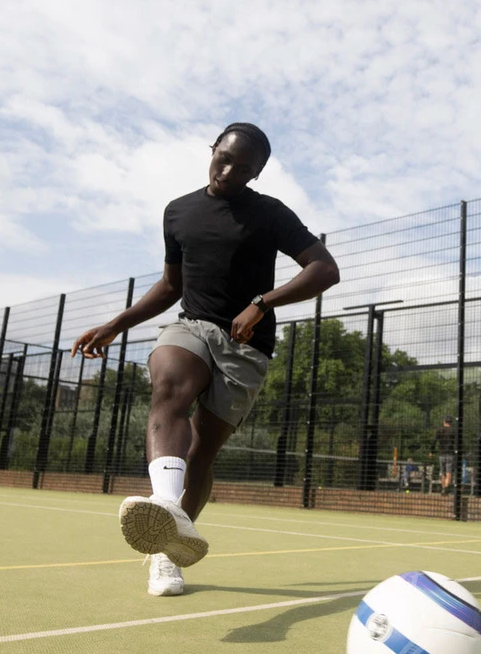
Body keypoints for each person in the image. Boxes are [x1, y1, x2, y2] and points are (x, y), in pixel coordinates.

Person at [71, 123, 340, 597]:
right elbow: (171, 286)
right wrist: (117, 323)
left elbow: (325, 269)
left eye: (244, 168)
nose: (230, 171)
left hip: (246, 343)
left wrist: (264, 301)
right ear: (212, 149)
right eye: (225, 157)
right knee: (168, 387)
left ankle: (167, 547)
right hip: (191, 324)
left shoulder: (270, 214)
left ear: (257, 174)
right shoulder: (178, 212)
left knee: (201, 454)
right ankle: (164, 511)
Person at [435, 416, 456, 494]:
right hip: (450, 453)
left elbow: (435, 440)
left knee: (442, 471)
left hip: (442, 453)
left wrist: (431, 451)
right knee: (449, 471)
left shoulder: (440, 430)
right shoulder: (454, 431)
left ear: (444, 422)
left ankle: (443, 487)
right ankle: (446, 486)